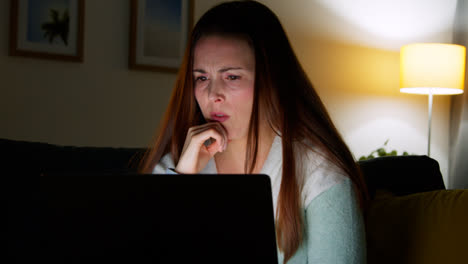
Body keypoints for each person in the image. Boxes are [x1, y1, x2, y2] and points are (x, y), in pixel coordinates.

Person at [139, 1, 369, 263]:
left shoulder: (320, 172)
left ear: (272, 80)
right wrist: (183, 180)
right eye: (201, 78)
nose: (213, 95)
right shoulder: (178, 166)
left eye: (232, 77)